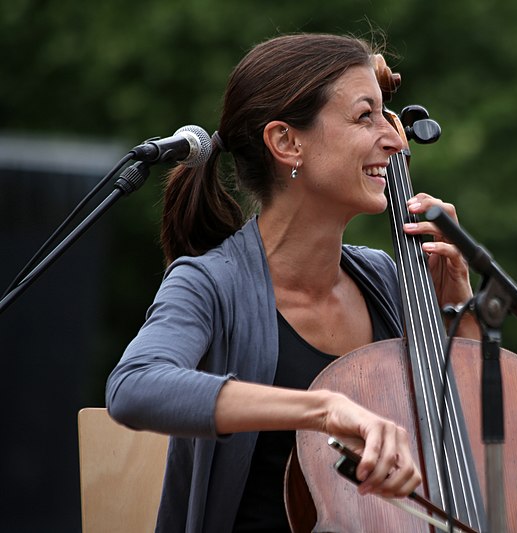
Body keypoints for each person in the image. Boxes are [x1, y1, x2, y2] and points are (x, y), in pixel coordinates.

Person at [105, 33, 478, 532]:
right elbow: (134, 388)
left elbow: (467, 435)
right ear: (286, 142)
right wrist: (322, 409)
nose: (395, 140)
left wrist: (459, 303)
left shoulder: (388, 281)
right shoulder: (211, 283)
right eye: (365, 116)